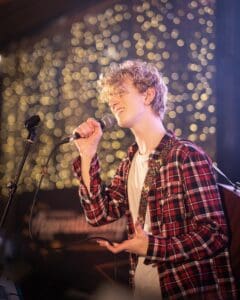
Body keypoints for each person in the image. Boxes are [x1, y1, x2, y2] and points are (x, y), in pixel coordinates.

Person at [72, 60, 237, 299]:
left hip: (185, 290)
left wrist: (151, 247)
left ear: (148, 95)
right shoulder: (129, 162)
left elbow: (214, 235)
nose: (112, 101)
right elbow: (98, 214)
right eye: (110, 96)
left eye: (121, 92)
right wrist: (87, 155)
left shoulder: (185, 155)